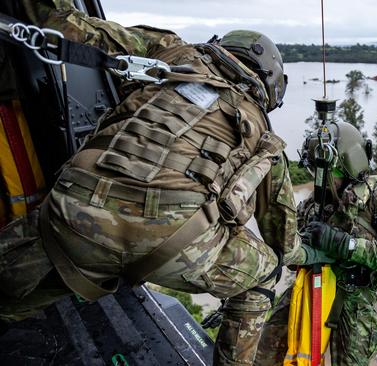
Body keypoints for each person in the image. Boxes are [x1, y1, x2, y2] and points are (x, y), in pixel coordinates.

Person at [0, 1, 301, 365]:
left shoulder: (173, 53)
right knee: (264, 273)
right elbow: (283, 240)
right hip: (177, 243)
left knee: (25, 279)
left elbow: (72, 27)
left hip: (78, 214)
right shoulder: (265, 138)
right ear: (269, 83)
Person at [254, 121, 377, 366]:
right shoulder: (315, 203)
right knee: (267, 353)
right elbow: (288, 248)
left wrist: (347, 245)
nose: (319, 180)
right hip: (309, 289)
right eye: (315, 172)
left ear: (347, 164)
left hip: (354, 303)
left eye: (325, 173)